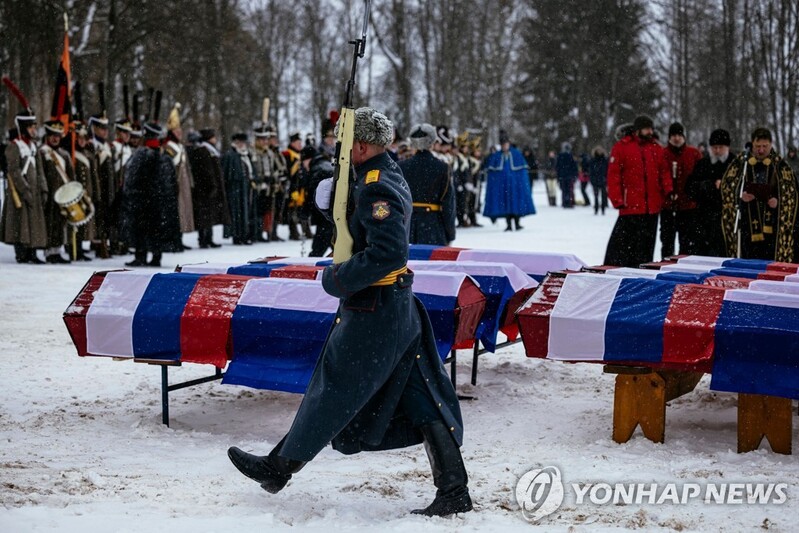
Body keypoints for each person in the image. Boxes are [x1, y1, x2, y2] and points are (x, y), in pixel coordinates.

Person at [227, 107, 472, 517]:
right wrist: (335, 207)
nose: (340, 148)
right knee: (423, 394)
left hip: (375, 307)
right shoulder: (377, 177)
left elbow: (387, 250)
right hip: (392, 306)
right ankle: (454, 489)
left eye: (344, 142)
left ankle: (279, 467)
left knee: (333, 389)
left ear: (359, 145)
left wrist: (336, 280)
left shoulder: (377, 185)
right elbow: (364, 231)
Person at [720, 127, 798, 261]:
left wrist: (778, 201)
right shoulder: (741, 163)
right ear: (752, 144)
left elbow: (790, 193)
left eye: (764, 146)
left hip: (772, 229)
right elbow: (728, 186)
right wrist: (740, 195)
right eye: (757, 146)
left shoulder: (780, 166)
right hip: (746, 226)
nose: (761, 150)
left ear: (771, 145)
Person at [604, 115, 672, 267]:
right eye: (647, 128)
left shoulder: (656, 148)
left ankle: (642, 270)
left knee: (646, 247)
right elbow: (613, 176)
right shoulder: (622, 147)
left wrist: (667, 190)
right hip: (630, 207)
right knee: (623, 248)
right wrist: (617, 200)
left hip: (651, 208)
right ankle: (620, 271)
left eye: (651, 129)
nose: (650, 132)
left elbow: (664, 172)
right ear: (638, 130)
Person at [121, 121, 178, 267]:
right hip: (158, 201)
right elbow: (171, 182)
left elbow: (131, 178)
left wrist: (130, 195)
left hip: (142, 199)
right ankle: (156, 255)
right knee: (155, 228)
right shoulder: (164, 156)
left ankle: (140, 255)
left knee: (141, 228)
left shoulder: (141, 154)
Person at [1, 112, 47, 264]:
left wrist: (43, 188)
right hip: (20, 193)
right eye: (31, 127)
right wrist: (25, 189)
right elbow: (14, 171)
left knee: (33, 223)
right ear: (24, 127)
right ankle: (21, 253)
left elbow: (39, 170)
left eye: (34, 126)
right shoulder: (15, 146)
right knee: (20, 223)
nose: (34, 130)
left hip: (34, 191)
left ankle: (32, 252)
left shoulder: (33, 146)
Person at [398, 123, 456, 244]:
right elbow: (448, 205)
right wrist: (450, 232)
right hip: (433, 226)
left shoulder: (401, 167)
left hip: (406, 226)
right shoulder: (442, 168)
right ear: (433, 142)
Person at [684, 129, 734, 257]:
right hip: (704, 218)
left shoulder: (735, 164)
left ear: (727, 147)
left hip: (728, 218)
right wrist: (707, 185)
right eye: (714, 147)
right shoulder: (703, 164)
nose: (717, 151)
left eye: (720, 147)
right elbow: (689, 188)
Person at [659, 122, 703, 258]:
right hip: (668, 206)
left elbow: (700, 175)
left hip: (688, 207)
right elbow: (662, 174)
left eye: (679, 135)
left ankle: (685, 266)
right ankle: (666, 264)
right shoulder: (663, 153)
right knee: (667, 241)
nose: (676, 138)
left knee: (687, 241)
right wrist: (669, 191)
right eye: (673, 135)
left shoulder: (693, 153)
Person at [482, 130, 536, 230]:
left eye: (506, 144)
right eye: (503, 145)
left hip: (514, 187)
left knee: (515, 203)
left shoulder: (516, 154)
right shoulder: (497, 156)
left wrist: (519, 183)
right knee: (505, 204)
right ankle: (508, 224)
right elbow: (492, 173)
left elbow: (522, 172)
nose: (505, 146)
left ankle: (517, 222)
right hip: (503, 187)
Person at [187, 128, 229, 248]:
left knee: (209, 215)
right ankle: (203, 239)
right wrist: (212, 185)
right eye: (213, 136)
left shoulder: (210, 150)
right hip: (205, 189)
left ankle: (208, 238)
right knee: (204, 215)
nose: (215, 139)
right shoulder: (203, 150)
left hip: (209, 187)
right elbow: (207, 171)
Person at [39, 120, 73, 263]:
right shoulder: (42, 152)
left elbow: (71, 175)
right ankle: (49, 252)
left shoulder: (64, 154)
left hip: (62, 194)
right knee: (49, 223)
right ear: (47, 136)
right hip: (49, 193)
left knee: (60, 223)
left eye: (58, 135)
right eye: (53, 135)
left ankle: (57, 250)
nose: (56, 138)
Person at [164, 103, 195, 250]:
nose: (180, 132)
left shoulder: (181, 146)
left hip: (183, 183)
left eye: (180, 129)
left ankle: (180, 238)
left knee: (183, 212)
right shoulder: (169, 147)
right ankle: (173, 239)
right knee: (175, 212)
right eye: (177, 130)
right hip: (175, 183)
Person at [299, 144, 334, 257]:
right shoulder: (327, 165)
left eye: (303, 162)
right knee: (335, 245)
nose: (303, 166)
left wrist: (305, 211)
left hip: (325, 216)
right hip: (335, 215)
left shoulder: (317, 170)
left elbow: (312, 196)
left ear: (307, 159)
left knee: (317, 252)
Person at [223, 132, 255, 245]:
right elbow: (226, 174)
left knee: (245, 212)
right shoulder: (230, 155)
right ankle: (237, 236)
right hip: (234, 189)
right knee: (236, 213)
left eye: (243, 142)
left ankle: (245, 235)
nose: (242, 144)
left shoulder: (246, 155)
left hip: (245, 188)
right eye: (240, 142)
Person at [555, 142, 578, 208]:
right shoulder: (569, 156)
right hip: (567, 176)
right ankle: (568, 202)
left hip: (565, 176)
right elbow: (574, 166)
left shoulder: (562, 156)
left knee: (565, 190)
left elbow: (558, 167)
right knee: (568, 190)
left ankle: (566, 202)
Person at [589, 146, 608, 215]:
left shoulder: (605, 160)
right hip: (596, 181)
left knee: (603, 196)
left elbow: (607, 170)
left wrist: (606, 179)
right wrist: (592, 179)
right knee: (596, 196)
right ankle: (596, 209)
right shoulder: (593, 160)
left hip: (603, 180)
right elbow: (591, 171)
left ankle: (603, 209)